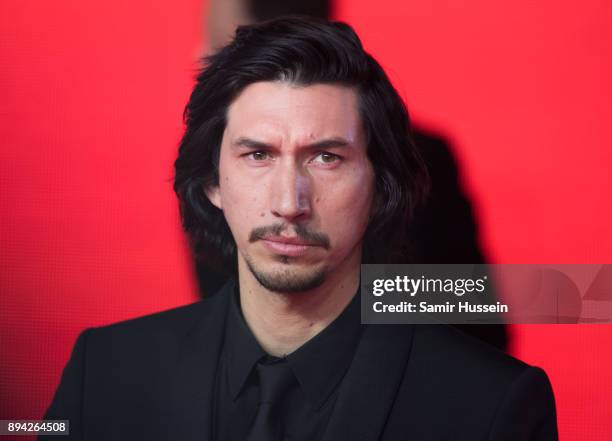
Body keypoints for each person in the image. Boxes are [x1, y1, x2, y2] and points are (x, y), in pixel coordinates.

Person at [42, 17, 558, 440]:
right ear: (212, 182)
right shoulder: (104, 373)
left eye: (327, 157)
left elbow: (519, 302)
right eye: (258, 155)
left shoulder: (492, 406)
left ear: (382, 186)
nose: (290, 203)